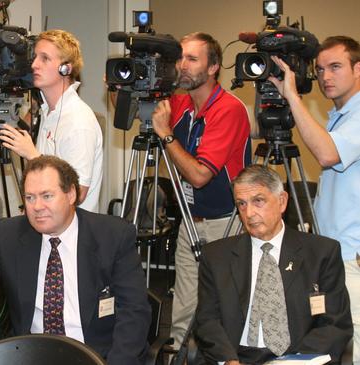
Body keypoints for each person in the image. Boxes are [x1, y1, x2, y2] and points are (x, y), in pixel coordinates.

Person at [0, 155, 151, 365]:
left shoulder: (113, 235)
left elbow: (134, 313)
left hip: (95, 356)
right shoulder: (12, 234)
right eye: (30, 198)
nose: (37, 206)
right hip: (31, 355)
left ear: (71, 194)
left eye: (47, 195)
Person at [151, 32, 251, 347]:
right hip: (189, 221)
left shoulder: (228, 109)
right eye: (180, 58)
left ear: (213, 67)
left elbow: (199, 176)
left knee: (222, 312)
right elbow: (132, 114)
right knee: (182, 309)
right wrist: (123, 84)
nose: (182, 65)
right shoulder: (181, 103)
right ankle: (179, 353)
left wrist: (167, 135)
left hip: (226, 224)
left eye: (192, 59)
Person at [194, 165, 352, 364]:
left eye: (258, 201)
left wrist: (296, 362)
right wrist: (228, 360)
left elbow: (335, 323)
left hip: (298, 357)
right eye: (241, 204)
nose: (249, 213)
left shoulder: (321, 253)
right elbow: (207, 321)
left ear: (282, 201)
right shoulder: (216, 256)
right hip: (236, 356)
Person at [268, 35, 360, 363]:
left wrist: (292, 96)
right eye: (319, 69)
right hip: (335, 252)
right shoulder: (341, 117)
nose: (325, 77)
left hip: (353, 257)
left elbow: (326, 153)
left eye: (336, 67)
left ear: (358, 68)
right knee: (327, 342)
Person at [0, 29, 103, 213]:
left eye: (45, 58)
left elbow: (77, 194)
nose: (34, 65)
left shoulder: (79, 120)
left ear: (66, 68)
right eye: (35, 57)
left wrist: (32, 155)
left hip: (74, 236)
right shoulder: (49, 112)